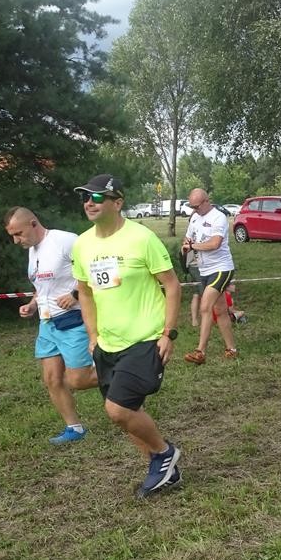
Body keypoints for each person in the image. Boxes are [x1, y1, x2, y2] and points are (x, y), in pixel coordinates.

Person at [70, 174, 183, 499]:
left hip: (145, 338)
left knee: (118, 409)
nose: (89, 203)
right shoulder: (82, 244)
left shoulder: (142, 238)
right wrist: (93, 335)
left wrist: (168, 333)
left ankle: (164, 453)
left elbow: (172, 285)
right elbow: (85, 292)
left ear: (117, 203)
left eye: (97, 197)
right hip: (107, 343)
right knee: (125, 413)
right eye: (85, 197)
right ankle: (165, 472)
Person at [4, 206, 99, 445]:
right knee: (51, 379)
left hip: (73, 319)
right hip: (47, 322)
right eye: (12, 236)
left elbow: (95, 269)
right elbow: (42, 287)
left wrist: (75, 294)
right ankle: (74, 429)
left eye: (18, 234)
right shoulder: (32, 250)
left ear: (33, 223)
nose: (16, 241)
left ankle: (124, 374)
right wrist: (32, 305)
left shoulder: (65, 241)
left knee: (79, 380)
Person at [181, 188, 238, 364]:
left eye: (197, 206)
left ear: (207, 201)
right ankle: (232, 349)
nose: (194, 210)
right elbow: (187, 239)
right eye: (192, 207)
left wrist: (193, 246)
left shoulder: (218, 217)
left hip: (221, 268)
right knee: (220, 310)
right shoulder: (195, 218)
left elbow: (215, 243)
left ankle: (200, 352)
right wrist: (186, 245)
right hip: (204, 269)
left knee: (205, 307)